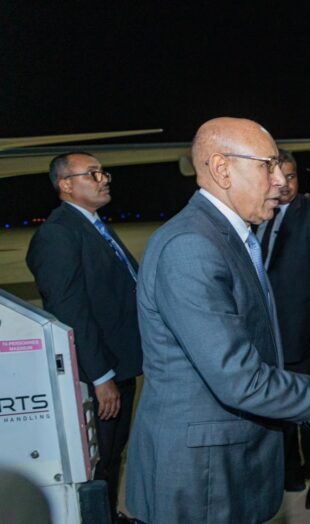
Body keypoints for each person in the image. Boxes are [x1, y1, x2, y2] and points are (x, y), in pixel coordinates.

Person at [125, 117, 310, 524]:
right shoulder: (192, 247)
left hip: (230, 458)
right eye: (267, 166)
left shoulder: (228, 236)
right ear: (222, 169)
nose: (281, 182)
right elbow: (241, 379)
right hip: (203, 476)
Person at [26, 151, 143, 523]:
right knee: (98, 459)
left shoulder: (92, 226)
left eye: (103, 172)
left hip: (119, 363)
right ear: (66, 185)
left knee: (113, 453)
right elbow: (69, 310)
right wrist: (101, 376)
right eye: (92, 174)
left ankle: (109, 515)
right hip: (99, 372)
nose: (103, 179)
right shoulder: (58, 234)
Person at [254, 149, 310, 509]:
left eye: (291, 177)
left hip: (306, 337)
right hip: (269, 339)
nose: (285, 184)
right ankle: (291, 471)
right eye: (278, 177)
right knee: (278, 410)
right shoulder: (259, 214)